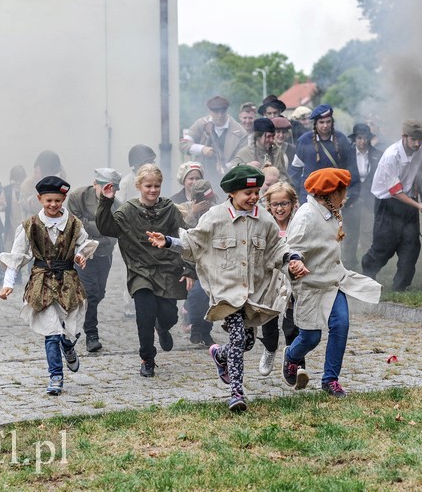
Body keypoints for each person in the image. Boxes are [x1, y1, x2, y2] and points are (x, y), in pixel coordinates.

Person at [147, 164, 308, 412]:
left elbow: (278, 248)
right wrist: (168, 242)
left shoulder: (264, 219)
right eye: (247, 193)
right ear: (232, 193)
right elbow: (193, 243)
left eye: (256, 193)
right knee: (236, 336)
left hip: (254, 294)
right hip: (226, 292)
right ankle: (236, 392)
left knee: (245, 342)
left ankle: (220, 354)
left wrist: (293, 259)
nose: (253, 198)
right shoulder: (215, 216)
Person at [283, 168, 381, 397]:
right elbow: (288, 250)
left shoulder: (331, 211)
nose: (345, 197)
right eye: (342, 192)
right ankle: (291, 357)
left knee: (341, 326)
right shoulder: (306, 216)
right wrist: (294, 262)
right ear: (330, 193)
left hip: (333, 283)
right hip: (309, 286)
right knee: (311, 337)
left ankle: (330, 380)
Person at [0, 175, 97, 395]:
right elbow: (17, 256)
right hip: (41, 282)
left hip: (68, 281)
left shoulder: (73, 224)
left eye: (58, 201)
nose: (53, 205)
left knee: (71, 330)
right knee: (51, 332)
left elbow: (85, 244)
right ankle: (56, 375)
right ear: (39, 199)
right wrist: (8, 284)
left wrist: (81, 255)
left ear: (64, 199)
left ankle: (69, 347)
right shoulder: (29, 226)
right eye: (49, 200)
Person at [96, 164, 193, 378]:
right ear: (139, 186)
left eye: (157, 186)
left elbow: (187, 238)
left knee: (169, 316)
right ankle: (147, 358)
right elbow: (107, 228)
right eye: (148, 185)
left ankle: (163, 327)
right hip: (140, 270)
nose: (153, 190)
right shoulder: (128, 210)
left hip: (168, 270)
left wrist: (189, 268)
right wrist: (106, 201)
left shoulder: (169, 209)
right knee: (144, 316)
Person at [361, 121, 422, 290]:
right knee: (384, 246)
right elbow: (395, 191)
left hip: (410, 202)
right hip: (388, 203)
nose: (417, 143)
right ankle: (367, 277)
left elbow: (419, 176)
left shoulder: (420, 151)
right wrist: (418, 206)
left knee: (411, 246)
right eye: (413, 139)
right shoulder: (391, 155)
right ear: (404, 137)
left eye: (420, 139)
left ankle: (400, 286)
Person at [67, 168, 123, 353]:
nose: (110, 192)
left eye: (114, 189)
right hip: (82, 252)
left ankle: (77, 309)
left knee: (99, 293)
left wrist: (94, 227)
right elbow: (75, 224)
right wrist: (101, 227)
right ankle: (91, 333)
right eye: (107, 187)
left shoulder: (117, 206)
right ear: (95, 184)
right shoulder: (78, 197)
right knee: (91, 292)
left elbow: (113, 233)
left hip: (104, 253)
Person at [256, 181, 300, 376]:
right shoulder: (265, 224)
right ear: (269, 206)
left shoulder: (299, 224)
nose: (280, 208)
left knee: (292, 324)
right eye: (275, 204)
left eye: (284, 203)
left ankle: (294, 359)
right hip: (270, 280)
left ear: (292, 203)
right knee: (269, 321)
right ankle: (270, 349)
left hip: (293, 280)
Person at [289, 104, 360, 205]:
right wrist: (299, 195)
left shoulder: (342, 140)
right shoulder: (304, 141)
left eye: (328, 122)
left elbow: (351, 170)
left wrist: (350, 196)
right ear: (315, 123)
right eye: (321, 122)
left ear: (332, 122)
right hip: (310, 197)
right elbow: (295, 171)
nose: (325, 125)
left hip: (335, 197)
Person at [116, 144, 157, 319]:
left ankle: (149, 301)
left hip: (149, 230)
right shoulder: (126, 183)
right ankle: (129, 305)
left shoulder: (153, 181)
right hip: (130, 232)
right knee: (129, 268)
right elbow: (118, 207)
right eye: (145, 162)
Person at [176, 179, 218, 347]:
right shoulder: (184, 209)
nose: (207, 204)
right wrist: (193, 213)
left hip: (212, 262)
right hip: (191, 262)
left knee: (210, 299)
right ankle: (195, 328)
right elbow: (183, 235)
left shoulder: (217, 210)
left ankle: (206, 331)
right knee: (195, 296)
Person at [180, 96, 247, 185]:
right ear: (210, 111)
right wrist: (202, 149)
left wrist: (227, 167)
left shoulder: (239, 132)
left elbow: (242, 157)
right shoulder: (200, 124)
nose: (220, 115)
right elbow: (183, 144)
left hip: (229, 179)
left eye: (222, 112)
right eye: (216, 112)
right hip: (202, 178)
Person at [342, 123, 383, 270]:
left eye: (365, 138)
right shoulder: (347, 155)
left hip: (369, 201)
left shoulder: (377, 155)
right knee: (349, 236)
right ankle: (348, 267)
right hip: (350, 201)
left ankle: (369, 268)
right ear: (355, 139)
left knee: (368, 235)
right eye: (359, 138)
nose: (362, 141)